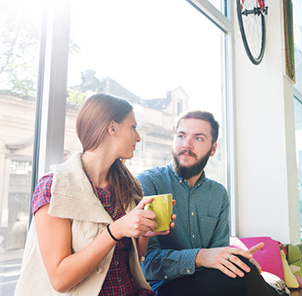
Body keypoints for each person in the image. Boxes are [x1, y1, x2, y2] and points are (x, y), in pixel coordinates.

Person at [15, 93, 174, 295]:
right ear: (112, 128)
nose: (138, 137)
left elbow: (132, 259)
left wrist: (144, 233)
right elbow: (59, 279)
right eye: (133, 127)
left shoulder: (129, 185)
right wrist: (114, 231)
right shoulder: (53, 187)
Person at [137, 110, 287, 296]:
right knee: (244, 276)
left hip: (208, 283)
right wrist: (199, 257)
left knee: (244, 269)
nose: (186, 144)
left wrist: (236, 259)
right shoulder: (149, 183)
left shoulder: (218, 194)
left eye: (198, 138)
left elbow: (218, 255)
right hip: (162, 287)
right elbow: (147, 263)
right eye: (181, 135)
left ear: (213, 149)